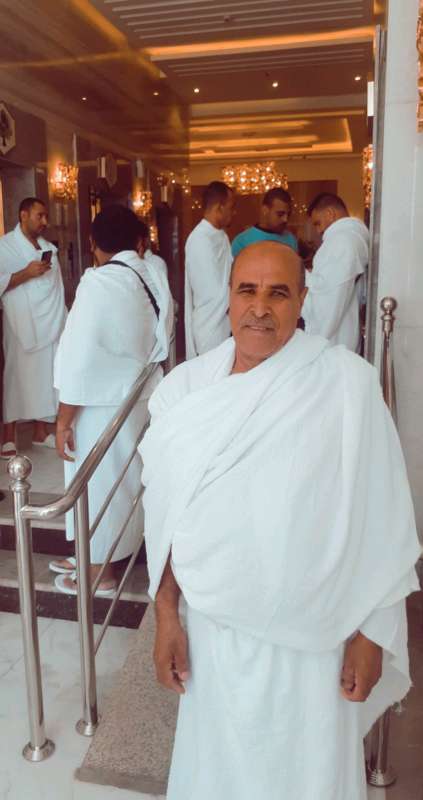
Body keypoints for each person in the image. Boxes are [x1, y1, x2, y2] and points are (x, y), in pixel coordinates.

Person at [140, 240, 420, 800]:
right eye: (247, 290)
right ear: (228, 296)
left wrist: (373, 632)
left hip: (315, 642)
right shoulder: (184, 391)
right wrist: (167, 614)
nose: (260, 308)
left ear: (303, 299)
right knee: (218, 773)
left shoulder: (348, 384)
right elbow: (166, 518)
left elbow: (384, 515)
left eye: (279, 293)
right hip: (214, 636)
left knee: (307, 774)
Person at [51, 205, 172, 595]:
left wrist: (63, 419)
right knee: (122, 481)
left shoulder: (100, 283)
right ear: (137, 240)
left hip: (99, 403)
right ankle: (94, 554)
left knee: (99, 485)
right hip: (135, 396)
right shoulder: (151, 275)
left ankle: (99, 571)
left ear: (92, 243)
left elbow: (79, 356)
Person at [0, 197, 66, 458]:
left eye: (46, 216)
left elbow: (56, 286)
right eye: (40, 216)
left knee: (45, 376)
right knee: (16, 375)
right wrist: (26, 273)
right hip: (21, 322)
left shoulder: (48, 248)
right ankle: (8, 436)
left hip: (47, 321)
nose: (44, 222)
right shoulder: (5, 246)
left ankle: (41, 431)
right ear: (23, 214)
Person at [302, 192, 369, 352]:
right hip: (345, 336)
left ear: (330, 213)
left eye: (318, 223)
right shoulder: (352, 238)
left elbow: (327, 303)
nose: (318, 230)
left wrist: (300, 275)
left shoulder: (341, 242)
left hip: (332, 343)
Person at [184, 181, 234, 359]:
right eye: (231, 207)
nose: (233, 213)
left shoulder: (221, 236)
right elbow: (211, 292)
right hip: (209, 325)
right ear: (219, 208)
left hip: (226, 320)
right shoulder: (200, 239)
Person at [231, 187, 298, 258]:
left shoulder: (291, 239)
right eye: (280, 214)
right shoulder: (242, 241)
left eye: (288, 214)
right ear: (265, 210)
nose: (285, 219)